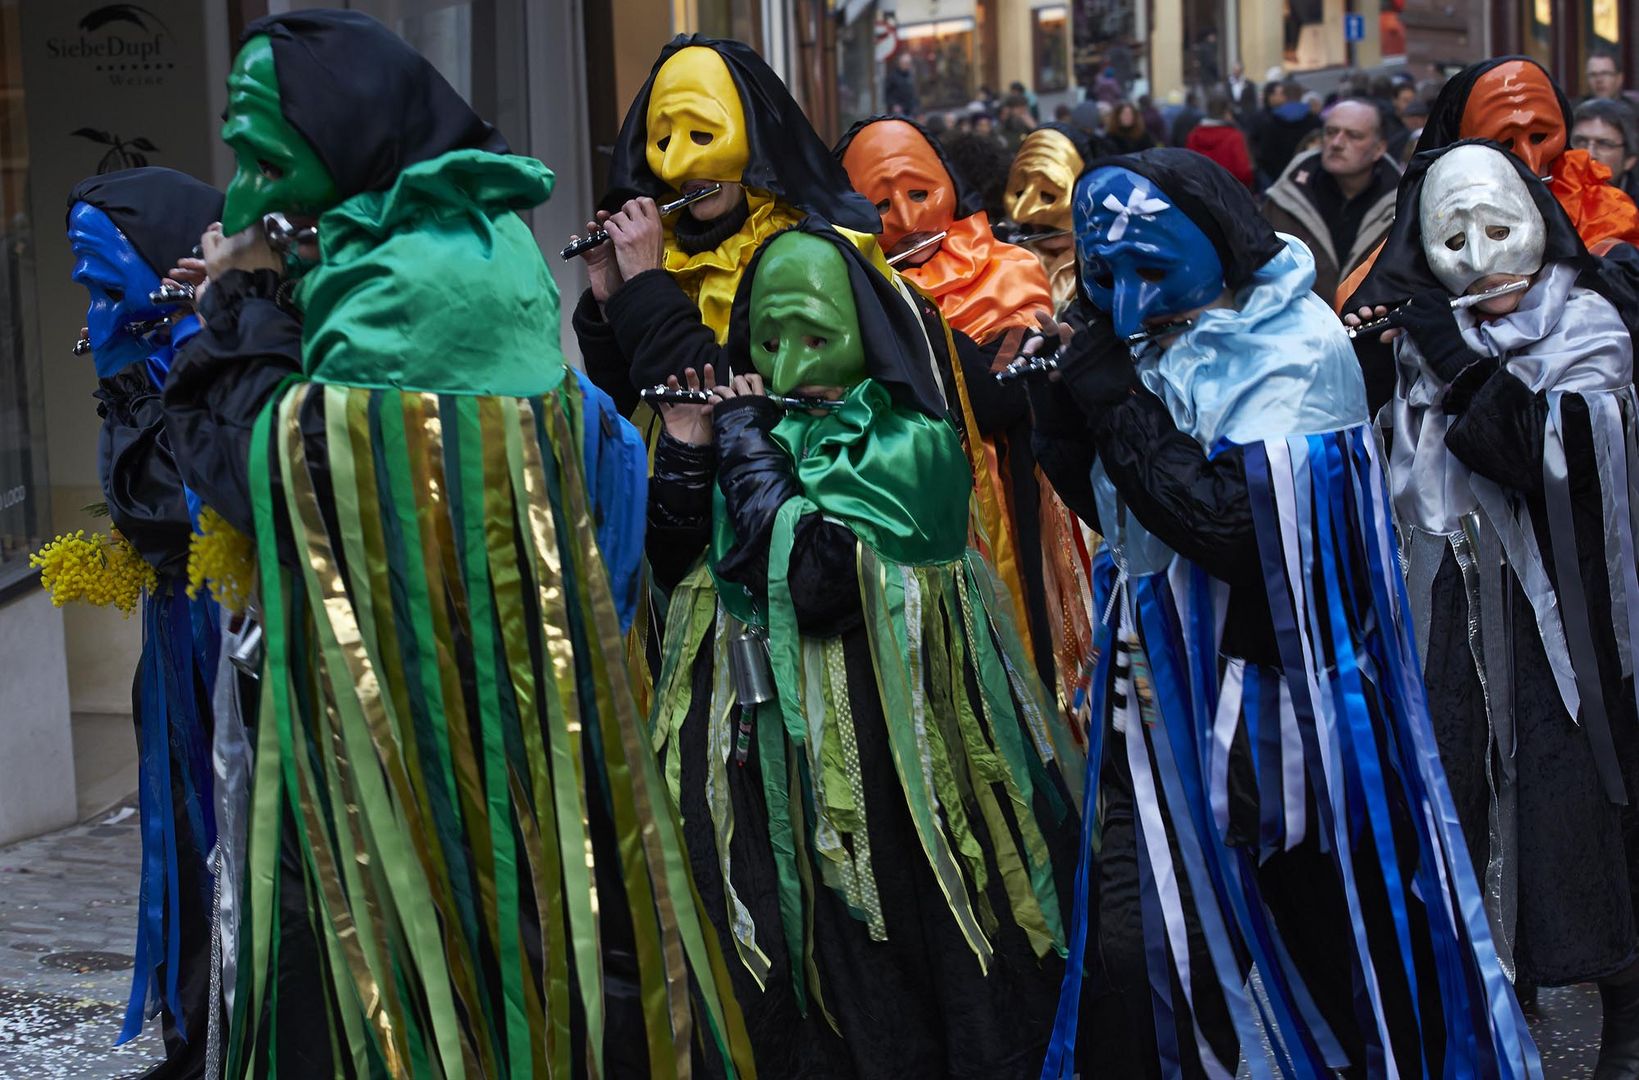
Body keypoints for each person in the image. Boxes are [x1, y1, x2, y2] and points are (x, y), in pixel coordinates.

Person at [159, 13, 750, 1075]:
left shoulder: (417, 282)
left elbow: (268, 474)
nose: (240, 194)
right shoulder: (441, 245)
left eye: (262, 160)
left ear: (339, 143)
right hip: (464, 723)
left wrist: (240, 304)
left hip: (426, 744)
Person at [1031, 146, 1537, 1078]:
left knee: (1316, 952)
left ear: (1220, 246)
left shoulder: (1294, 349)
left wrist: (1111, 398)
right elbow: (1118, 506)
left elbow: (1229, 526)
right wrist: (1058, 405)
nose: (1131, 306)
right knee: (1134, 947)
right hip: (1154, 701)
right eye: (1106, 277)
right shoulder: (1148, 338)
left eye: (1152, 272)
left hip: (1284, 725)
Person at [645, 220, 1080, 1079]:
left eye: (816, 336)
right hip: (763, 752)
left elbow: (813, 582)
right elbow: (674, 564)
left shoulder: (906, 440)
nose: (791, 365)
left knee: (892, 953)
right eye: (767, 340)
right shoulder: (754, 419)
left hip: (888, 765)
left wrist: (739, 439)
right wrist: (689, 452)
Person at [1351, 138, 1639, 1077]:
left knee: (1570, 827)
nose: (1479, 258)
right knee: (1457, 808)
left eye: (1498, 226)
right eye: (1450, 237)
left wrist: (1452, 354)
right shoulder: (1417, 342)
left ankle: (1613, 1019)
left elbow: (1543, 459)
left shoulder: (1587, 326)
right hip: (1447, 609)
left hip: (1563, 626)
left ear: (1538, 224)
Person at [837, 116, 1090, 718]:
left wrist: (903, 317)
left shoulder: (1008, 269)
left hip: (1015, 514)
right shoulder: (842, 283)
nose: (904, 218)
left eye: (919, 192)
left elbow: (1001, 395)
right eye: (878, 203)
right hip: (906, 524)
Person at [61, 167, 224, 1080]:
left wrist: (191, 359)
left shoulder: (226, 363)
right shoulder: (138, 379)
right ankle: (192, 1034)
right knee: (180, 843)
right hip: (173, 645)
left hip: (233, 646)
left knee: (234, 838)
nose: (90, 313)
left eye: (101, 283)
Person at [572, 35, 883, 417]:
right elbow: (627, 401)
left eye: (702, 135)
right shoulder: (663, 247)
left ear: (754, 136)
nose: (675, 167)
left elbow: (718, 399)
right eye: (663, 142)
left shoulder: (799, 254)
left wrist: (644, 286)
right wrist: (611, 298)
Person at [1262, 98, 1400, 301]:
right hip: (1297, 327)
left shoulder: (1402, 208)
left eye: (1353, 136)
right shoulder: (1285, 199)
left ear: (1379, 148)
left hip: (1371, 329)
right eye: (1330, 132)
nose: (1336, 143)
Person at [1004, 122, 1101, 310]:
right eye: (1019, 192)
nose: (1022, 213)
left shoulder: (1110, 267)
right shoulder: (1007, 266)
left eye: (1048, 194)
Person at [1249, 78, 1321, 185]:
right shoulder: (1316, 121)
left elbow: (1264, 154)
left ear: (1283, 96)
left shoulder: (1268, 122)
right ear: (1301, 95)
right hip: (1309, 180)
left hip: (1278, 180)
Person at [1574, 97, 1639, 203]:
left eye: (1604, 144)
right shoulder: (1547, 199)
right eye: (1581, 141)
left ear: (1629, 160)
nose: (1589, 153)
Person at [1184, 90, 1254, 187]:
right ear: (1226, 112)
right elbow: (1243, 172)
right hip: (1230, 191)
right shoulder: (1234, 136)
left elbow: (1188, 167)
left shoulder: (1193, 135)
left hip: (1202, 192)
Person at [885, 49, 918, 116]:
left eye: (909, 63)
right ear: (900, 63)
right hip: (899, 111)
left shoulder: (910, 75)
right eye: (906, 63)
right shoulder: (892, 76)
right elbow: (887, 94)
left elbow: (913, 92)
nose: (907, 65)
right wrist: (893, 105)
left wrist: (916, 106)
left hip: (910, 109)